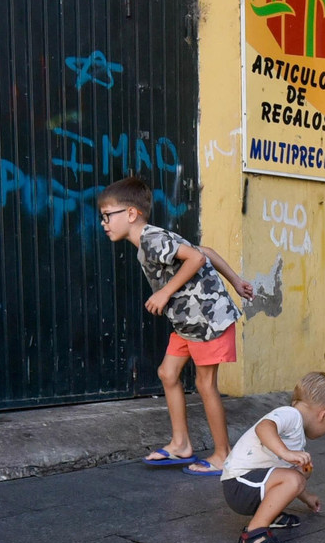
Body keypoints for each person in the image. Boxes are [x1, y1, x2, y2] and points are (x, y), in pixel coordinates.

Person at [97, 176, 253, 476]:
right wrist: (235, 280)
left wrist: (165, 292)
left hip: (207, 319)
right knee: (168, 373)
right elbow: (204, 250)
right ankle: (181, 444)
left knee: (205, 384)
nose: (104, 223)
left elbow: (195, 257)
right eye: (103, 217)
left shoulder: (152, 239)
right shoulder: (149, 240)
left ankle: (224, 455)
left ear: (131, 214)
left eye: (108, 215)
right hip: (186, 321)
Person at [220, 372, 325, 543]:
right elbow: (263, 427)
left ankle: (269, 513)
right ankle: (254, 534)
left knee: (301, 471)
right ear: (324, 414)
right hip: (239, 485)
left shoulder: (296, 431)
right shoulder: (290, 414)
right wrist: (285, 453)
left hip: (250, 486)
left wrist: (307, 497)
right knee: (294, 477)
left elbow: (291, 477)